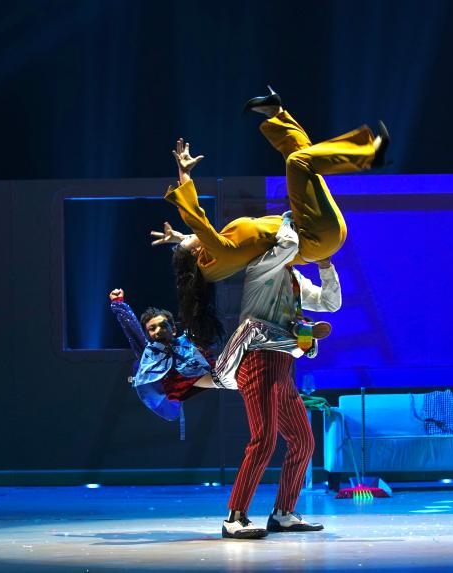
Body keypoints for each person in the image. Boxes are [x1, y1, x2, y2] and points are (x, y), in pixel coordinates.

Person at [152, 87, 389, 283]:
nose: (189, 237)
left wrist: (179, 238)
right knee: (298, 163)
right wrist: (184, 173)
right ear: (196, 253)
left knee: (300, 157)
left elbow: (198, 238)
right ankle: (369, 154)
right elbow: (196, 219)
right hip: (313, 237)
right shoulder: (217, 254)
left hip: (313, 233)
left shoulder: (216, 256)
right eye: (188, 241)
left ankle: (276, 113)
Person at [220, 211, 341, 540]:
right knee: (263, 440)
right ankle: (234, 517)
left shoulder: (294, 278)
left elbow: (330, 303)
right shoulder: (260, 268)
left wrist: (325, 264)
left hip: (284, 364)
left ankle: (283, 513)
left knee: (303, 441)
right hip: (257, 359)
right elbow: (287, 244)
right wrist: (288, 219)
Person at [108, 287, 326, 422]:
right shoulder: (151, 354)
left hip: (226, 374)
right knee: (250, 327)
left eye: (162, 326)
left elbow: (197, 310)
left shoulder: (186, 341)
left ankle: (302, 346)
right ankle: (300, 337)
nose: (157, 331)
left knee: (259, 348)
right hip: (219, 377)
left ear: (173, 329)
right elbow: (133, 331)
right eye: (152, 329)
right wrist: (119, 305)